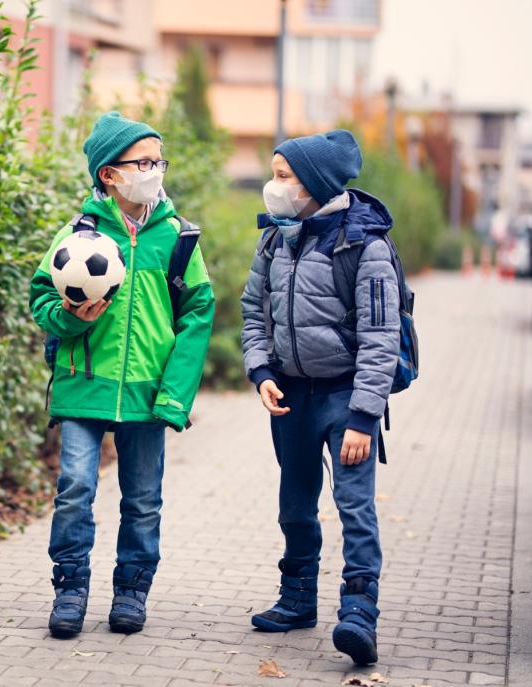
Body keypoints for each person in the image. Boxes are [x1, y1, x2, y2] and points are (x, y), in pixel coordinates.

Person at [28, 111, 214, 638]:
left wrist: (175, 396)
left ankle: (132, 590)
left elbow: (198, 313)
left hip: (148, 394)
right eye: (144, 161)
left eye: (159, 160)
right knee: (74, 487)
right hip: (83, 384)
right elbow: (42, 297)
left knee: (143, 499)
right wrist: (68, 317)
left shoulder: (176, 237)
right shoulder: (78, 235)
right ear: (109, 174)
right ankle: (70, 588)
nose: (155, 170)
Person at [240, 129, 399, 665]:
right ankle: (297, 598)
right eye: (275, 173)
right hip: (290, 396)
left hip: (345, 397)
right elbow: (252, 311)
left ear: (315, 183)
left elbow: (382, 339)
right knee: (295, 503)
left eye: (284, 176)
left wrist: (362, 416)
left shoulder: (364, 245)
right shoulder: (276, 238)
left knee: (354, 505)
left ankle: (359, 613)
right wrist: (261, 370)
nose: (274, 185)